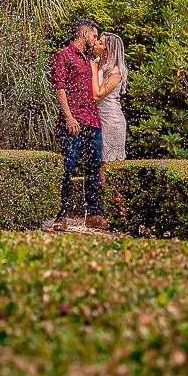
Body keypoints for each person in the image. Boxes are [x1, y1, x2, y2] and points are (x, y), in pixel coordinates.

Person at [50, 19, 109, 230]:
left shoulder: (90, 59)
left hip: (93, 121)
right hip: (72, 121)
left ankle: (92, 213)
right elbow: (59, 88)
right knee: (67, 168)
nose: (95, 40)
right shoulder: (63, 55)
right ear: (84, 34)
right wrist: (68, 117)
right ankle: (61, 215)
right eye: (94, 36)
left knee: (93, 169)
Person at [90, 33, 128, 188]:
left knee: (110, 168)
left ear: (107, 50)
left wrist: (93, 70)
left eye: (100, 43)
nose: (95, 44)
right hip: (98, 120)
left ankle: (117, 206)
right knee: (97, 165)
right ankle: (101, 206)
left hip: (111, 121)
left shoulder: (116, 71)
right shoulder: (97, 64)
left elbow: (97, 95)